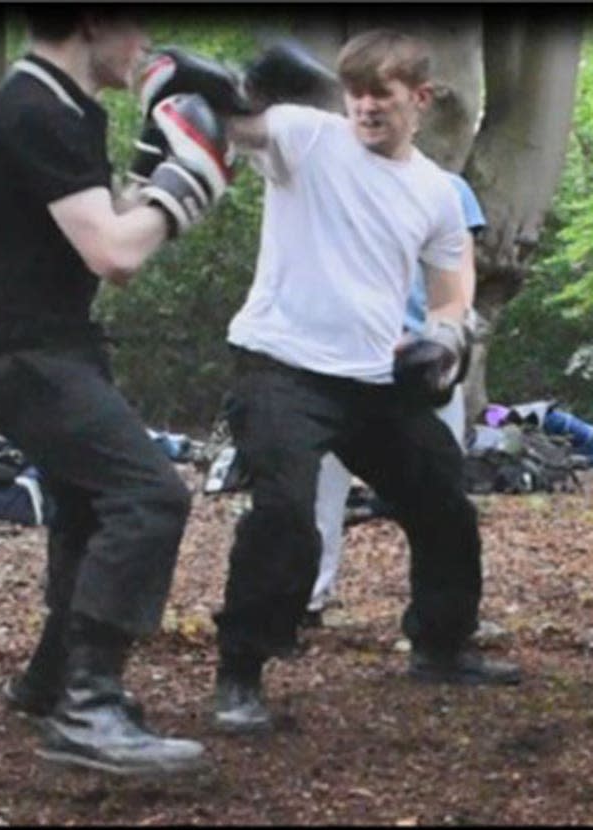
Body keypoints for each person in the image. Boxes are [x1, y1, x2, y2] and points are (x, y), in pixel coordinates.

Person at [209, 27, 520, 733]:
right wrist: (231, 87)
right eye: (355, 92)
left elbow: (449, 294)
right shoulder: (307, 136)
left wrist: (445, 337)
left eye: (381, 93)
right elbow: (238, 124)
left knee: (444, 502)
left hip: (375, 375)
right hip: (281, 364)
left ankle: (441, 644)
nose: (366, 107)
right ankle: (240, 673)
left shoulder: (439, 193)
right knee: (284, 515)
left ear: (421, 97)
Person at [0, 5, 234, 776]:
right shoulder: (32, 108)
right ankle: (89, 708)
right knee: (148, 497)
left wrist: (154, 180)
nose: (143, 42)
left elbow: (91, 225)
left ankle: (51, 684)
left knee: (87, 502)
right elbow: (113, 251)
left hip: (44, 343)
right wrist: (179, 191)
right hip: (19, 351)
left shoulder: (61, 108)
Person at [304, 171, 486, 626]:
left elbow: (461, 276)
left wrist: (447, 342)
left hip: (423, 360)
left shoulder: (448, 189)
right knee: (314, 491)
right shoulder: (332, 177)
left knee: (442, 494)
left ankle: (443, 624)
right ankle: (302, 602)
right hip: (341, 358)